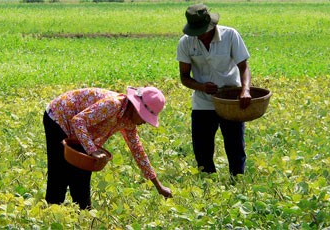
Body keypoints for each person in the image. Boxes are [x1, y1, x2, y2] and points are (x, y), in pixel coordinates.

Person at [43, 86, 172, 210]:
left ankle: (83, 217)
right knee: (60, 173)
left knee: (81, 173)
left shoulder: (128, 121)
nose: (145, 122)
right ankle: (53, 213)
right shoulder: (113, 105)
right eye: (145, 117)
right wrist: (92, 150)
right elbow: (78, 121)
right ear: (136, 108)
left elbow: (138, 151)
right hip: (59, 116)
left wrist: (159, 186)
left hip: (80, 131)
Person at [176, 4, 252, 177]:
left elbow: (244, 66)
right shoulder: (186, 42)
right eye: (196, 32)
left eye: (202, 31)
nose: (200, 36)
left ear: (211, 25)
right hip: (203, 102)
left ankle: (237, 180)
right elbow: (184, 77)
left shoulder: (230, 35)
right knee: (202, 149)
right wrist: (201, 87)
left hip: (230, 100)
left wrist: (245, 90)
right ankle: (208, 184)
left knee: (235, 146)